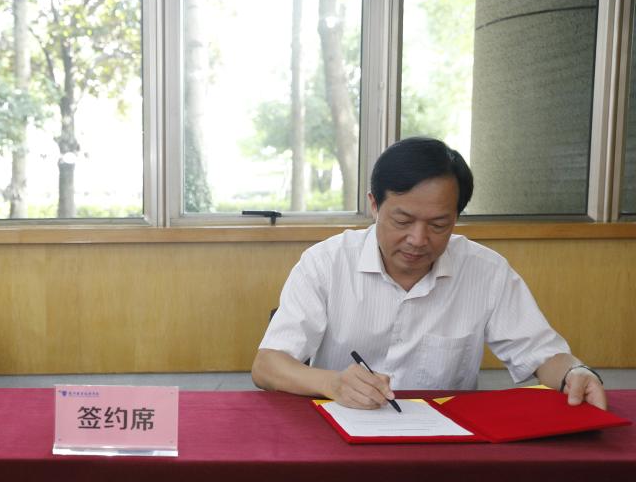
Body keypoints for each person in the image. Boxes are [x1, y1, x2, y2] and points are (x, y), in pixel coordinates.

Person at [251, 136, 607, 410]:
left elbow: (544, 353)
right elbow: (267, 365)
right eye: (403, 221)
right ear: (374, 205)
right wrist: (333, 384)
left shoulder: (486, 271)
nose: (418, 240)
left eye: (439, 224)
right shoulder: (326, 263)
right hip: (343, 428)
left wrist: (575, 373)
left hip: (446, 442)